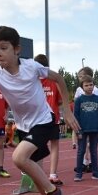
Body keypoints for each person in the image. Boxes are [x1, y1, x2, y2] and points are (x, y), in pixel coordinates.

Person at [0, 26, 79, 195]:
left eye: (3, 48)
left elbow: (59, 78)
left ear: (16, 49)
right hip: (23, 125)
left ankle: (54, 194)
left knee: (19, 158)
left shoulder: (31, 67)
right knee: (33, 171)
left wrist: (67, 111)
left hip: (43, 120)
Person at [35, 54, 65, 186]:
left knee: (37, 146)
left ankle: (39, 174)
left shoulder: (33, 80)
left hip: (38, 118)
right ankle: (52, 174)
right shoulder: (54, 80)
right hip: (52, 117)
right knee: (54, 146)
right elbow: (59, 101)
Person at [73, 76, 98, 181]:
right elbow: (76, 116)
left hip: (95, 130)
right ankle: (79, 173)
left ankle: (95, 172)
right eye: (86, 85)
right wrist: (78, 131)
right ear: (82, 87)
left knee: (94, 151)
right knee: (81, 151)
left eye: (91, 84)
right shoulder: (79, 100)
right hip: (82, 130)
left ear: (94, 85)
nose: (89, 87)